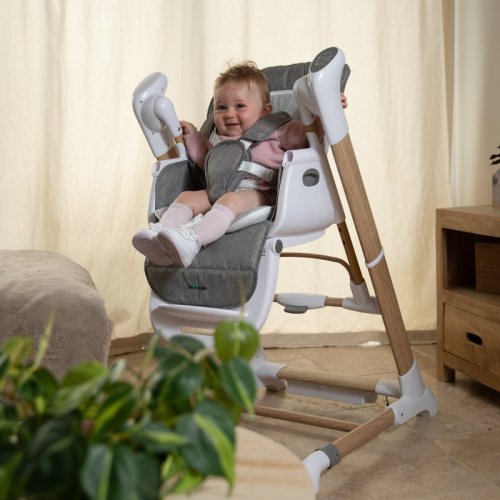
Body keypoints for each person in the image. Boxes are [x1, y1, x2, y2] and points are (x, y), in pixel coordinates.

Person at [132, 60, 347, 267]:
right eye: (221, 108)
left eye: (240, 106)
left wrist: (327, 111)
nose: (229, 114)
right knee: (187, 197)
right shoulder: (220, 139)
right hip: (219, 189)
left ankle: (192, 241)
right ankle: (163, 235)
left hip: (261, 193)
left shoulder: (279, 130)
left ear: (265, 111)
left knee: (231, 200)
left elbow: (308, 134)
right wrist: (192, 136)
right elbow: (207, 162)